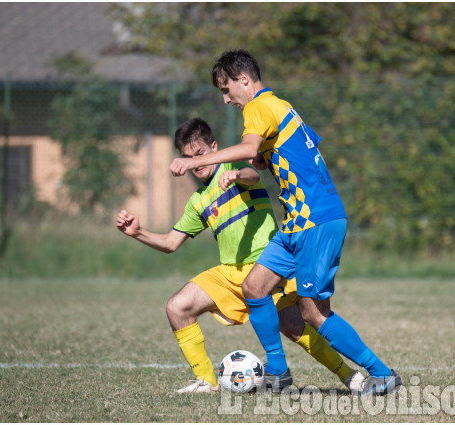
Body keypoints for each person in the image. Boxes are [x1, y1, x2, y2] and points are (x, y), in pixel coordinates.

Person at [169, 51, 402, 396]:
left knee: (312, 312)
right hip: (295, 223)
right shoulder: (281, 106)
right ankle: (277, 370)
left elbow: (250, 147)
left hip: (316, 220)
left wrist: (194, 163)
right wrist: (262, 157)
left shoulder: (259, 107)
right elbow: (291, 151)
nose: (226, 98)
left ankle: (381, 373)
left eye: (226, 88)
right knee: (254, 288)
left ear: (243, 79)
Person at [118, 117, 364, 394]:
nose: (196, 163)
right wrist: (138, 232)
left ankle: (349, 376)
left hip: (268, 265)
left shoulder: (234, 168)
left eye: (200, 154)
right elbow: (171, 242)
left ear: (214, 147)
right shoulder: (198, 200)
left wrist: (235, 175)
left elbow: (254, 175)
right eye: (188, 158)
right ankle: (206, 381)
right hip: (230, 273)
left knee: (294, 327)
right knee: (178, 306)